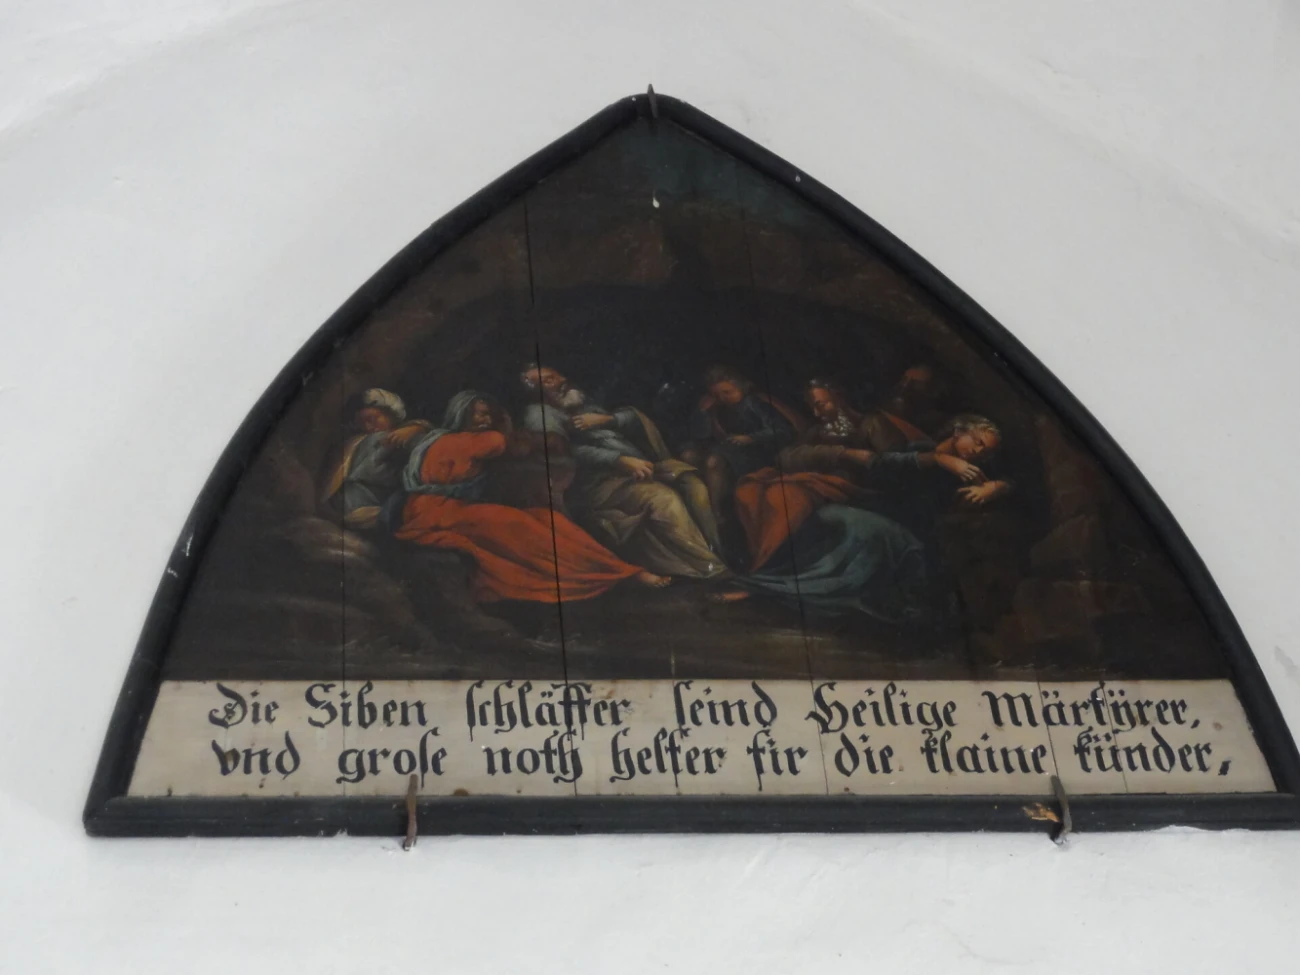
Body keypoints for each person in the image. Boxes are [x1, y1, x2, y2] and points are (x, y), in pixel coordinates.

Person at [393, 390, 669, 604]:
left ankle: (618, 570)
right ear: (460, 415)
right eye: (477, 414)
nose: (484, 420)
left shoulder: (434, 437)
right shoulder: (483, 440)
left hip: (438, 509)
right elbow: (520, 445)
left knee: (547, 519)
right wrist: (509, 426)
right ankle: (613, 574)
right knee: (521, 525)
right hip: (436, 513)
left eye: (488, 414)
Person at [520, 364, 728, 580]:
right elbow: (563, 454)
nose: (562, 380)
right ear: (536, 392)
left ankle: (717, 555)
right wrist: (618, 459)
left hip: (637, 469)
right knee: (664, 499)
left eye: (558, 375)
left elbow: (631, 418)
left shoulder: (579, 403)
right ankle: (713, 570)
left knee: (695, 486)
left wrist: (609, 420)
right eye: (549, 380)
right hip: (597, 484)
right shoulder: (539, 414)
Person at [680, 366, 798, 527]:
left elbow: (783, 430)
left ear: (741, 387)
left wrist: (750, 438)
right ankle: (696, 506)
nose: (722, 398)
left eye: (727, 392)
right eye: (716, 395)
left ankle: (715, 511)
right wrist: (702, 412)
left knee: (714, 461)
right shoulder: (716, 409)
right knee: (688, 455)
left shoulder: (753, 403)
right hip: (730, 450)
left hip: (757, 452)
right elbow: (701, 437)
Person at [321, 388, 431, 529]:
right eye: (361, 423)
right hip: (359, 506)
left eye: (372, 419)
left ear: (391, 414)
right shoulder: (375, 440)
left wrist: (416, 428)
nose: (368, 427)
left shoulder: (397, 435)